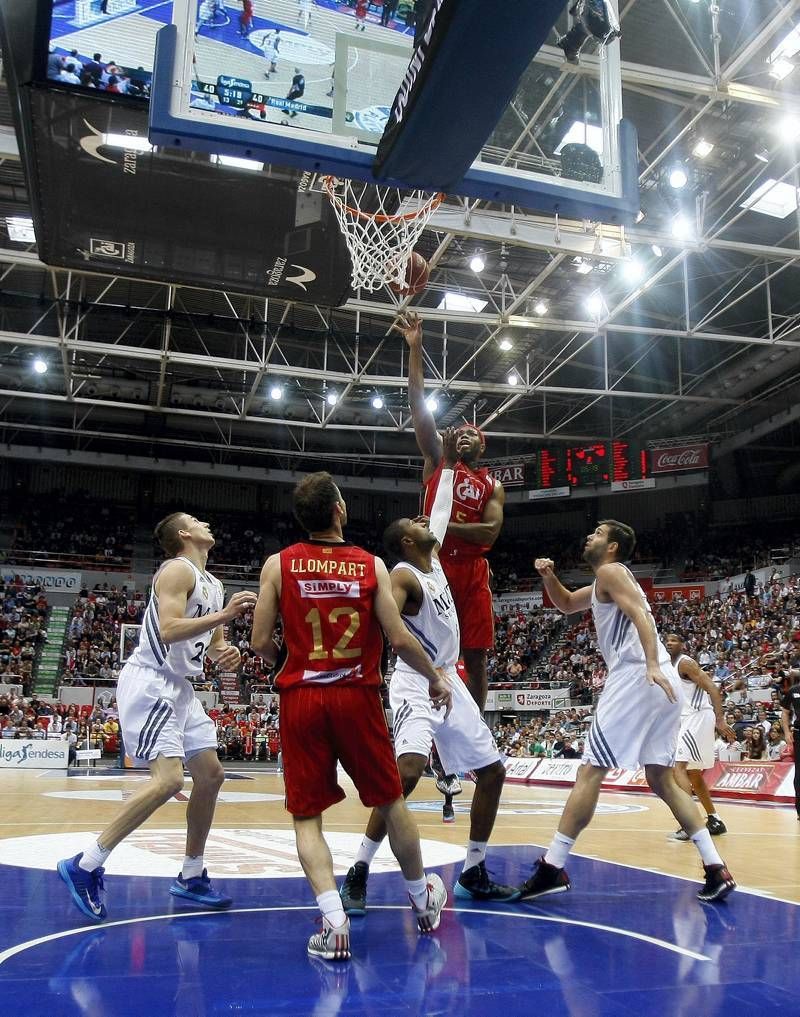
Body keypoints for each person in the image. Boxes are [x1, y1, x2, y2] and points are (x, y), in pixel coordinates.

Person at [251, 471, 451, 961]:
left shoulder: (278, 565)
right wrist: (435, 677)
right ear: (339, 509)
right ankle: (422, 901)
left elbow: (259, 643)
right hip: (357, 698)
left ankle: (333, 920)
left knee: (306, 816)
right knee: (390, 801)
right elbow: (400, 638)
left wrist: (293, 666)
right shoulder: (372, 565)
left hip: (302, 700)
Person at [339, 429, 519, 917]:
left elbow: (449, 500)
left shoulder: (436, 561)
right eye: (418, 523)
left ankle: (474, 870)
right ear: (406, 540)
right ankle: (358, 869)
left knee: (494, 773)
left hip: (448, 679)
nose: (427, 522)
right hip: (417, 680)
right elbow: (387, 621)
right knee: (409, 772)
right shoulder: (404, 575)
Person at [518, 521, 736, 903]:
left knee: (589, 772)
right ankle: (715, 867)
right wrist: (549, 576)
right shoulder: (610, 579)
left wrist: (651, 663)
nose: (589, 535)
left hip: (638, 676)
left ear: (613, 547)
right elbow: (568, 603)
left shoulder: (609, 571)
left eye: (598, 533)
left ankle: (552, 867)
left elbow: (641, 616)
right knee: (663, 779)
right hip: (659, 684)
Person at [57, 513, 257, 921]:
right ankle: (85, 864)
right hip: (152, 682)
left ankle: (190, 874)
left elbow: (213, 644)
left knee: (211, 775)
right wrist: (224, 616)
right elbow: (168, 629)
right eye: (197, 521)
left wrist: (225, 653)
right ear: (184, 534)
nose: (208, 525)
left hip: (182, 689)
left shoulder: (214, 584)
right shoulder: (175, 570)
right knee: (168, 780)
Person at [394, 311, 504, 814]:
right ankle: (413, 720)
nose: (463, 436)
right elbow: (420, 408)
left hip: (467, 568)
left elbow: (491, 532)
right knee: (414, 642)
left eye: (472, 435)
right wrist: (415, 348)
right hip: (430, 567)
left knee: (476, 655)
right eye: (457, 432)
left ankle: (469, 728)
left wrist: (442, 528)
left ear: (483, 446)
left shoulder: (492, 484)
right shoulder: (437, 462)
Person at [664, 633, 736, 841]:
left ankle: (689, 824)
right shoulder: (668, 667)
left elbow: (713, 688)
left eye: (675, 640)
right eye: (667, 640)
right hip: (689, 719)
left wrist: (720, 721)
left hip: (697, 717)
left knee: (678, 768)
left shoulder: (685, 663)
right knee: (693, 774)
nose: (669, 643)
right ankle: (714, 820)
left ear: (683, 644)